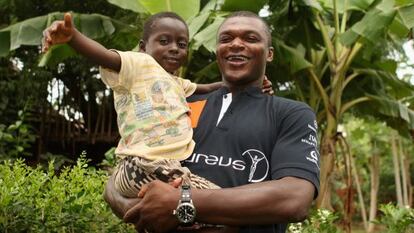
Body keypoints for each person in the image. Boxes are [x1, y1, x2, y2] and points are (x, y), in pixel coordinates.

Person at [104, 11, 320, 233]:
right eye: (226, 39)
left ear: (270, 54)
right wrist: (134, 207)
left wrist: (182, 201)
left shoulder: (291, 114)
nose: (236, 44)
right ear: (217, 51)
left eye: (250, 38)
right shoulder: (178, 105)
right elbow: (122, 173)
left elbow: (295, 198)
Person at [42, 12, 274, 198]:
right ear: (143, 46)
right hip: (143, 164)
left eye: (181, 44)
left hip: (160, 167)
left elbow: (210, 88)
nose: (174, 48)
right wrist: (74, 38)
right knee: (221, 203)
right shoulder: (138, 63)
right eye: (164, 41)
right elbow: (103, 55)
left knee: (206, 210)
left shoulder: (175, 82)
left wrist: (254, 86)